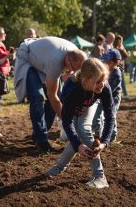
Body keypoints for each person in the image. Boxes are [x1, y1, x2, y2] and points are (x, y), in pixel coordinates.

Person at [45, 58, 115, 189]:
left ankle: (100, 176)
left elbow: (110, 117)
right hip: (75, 108)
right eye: (98, 82)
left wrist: (104, 142)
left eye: (104, 80)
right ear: (85, 80)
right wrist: (78, 146)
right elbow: (67, 121)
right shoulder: (71, 90)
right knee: (77, 137)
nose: (102, 84)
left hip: (89, 104)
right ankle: (60, 167)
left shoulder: (104, 88)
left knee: (83, 130)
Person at [14, 37, 86, 153]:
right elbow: (52, 96)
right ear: (68, 61)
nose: (71, 72)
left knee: (58, 97)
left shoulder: (75, 54)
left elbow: (67, 85)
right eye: (72, 69)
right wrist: (67, 121)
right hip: (28, 58)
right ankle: (41, 140)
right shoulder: (56, 61)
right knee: (38, 97)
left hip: (42, 58)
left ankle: (38, 133)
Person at [95, 49, 122, 142]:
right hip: (103, 95)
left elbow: (110, 89)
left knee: (111, 115)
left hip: (113, 97)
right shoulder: (105, 71)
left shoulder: (117, 74)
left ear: (115, 62)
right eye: (103, 61)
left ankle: (112, 135)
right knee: (98, 115)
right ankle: (98, 133)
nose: (104, 63)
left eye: (107, 62)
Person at [113, 35, 130, 99]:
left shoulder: (121, 47)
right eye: (120, 40)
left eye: (121, 40)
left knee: (122, 81)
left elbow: (126, 56)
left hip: (121, 66)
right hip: (116, 66)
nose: (121, 41)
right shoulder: (114, 47)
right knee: (118, 81)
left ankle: (124, 94)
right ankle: (122, 94)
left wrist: (122, 49)